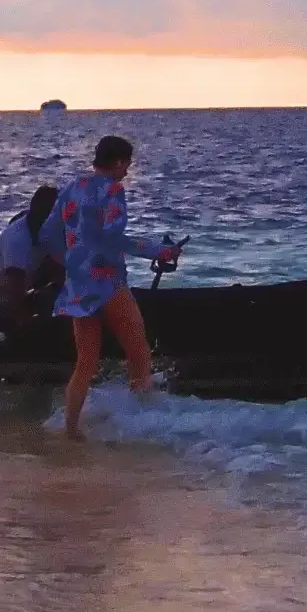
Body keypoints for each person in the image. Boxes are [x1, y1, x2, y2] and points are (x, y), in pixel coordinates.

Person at [55, 134, 177, 438]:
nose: (127, 171)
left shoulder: (72, 187)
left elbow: (49, 233)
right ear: (120, 161)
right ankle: (144, 424)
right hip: (108, 282)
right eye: (128, 164)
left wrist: (72, 262)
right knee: (139, 352)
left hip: (78, 283)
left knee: (85, 361)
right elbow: (115, 239)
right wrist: (159, 251)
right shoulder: (113, 190)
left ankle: (71, 429)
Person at [0, 183, 63, 330]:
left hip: (6, 300)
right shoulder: (17, 239)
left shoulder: (50, 234)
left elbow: (60, 270)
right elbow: (15, 292)